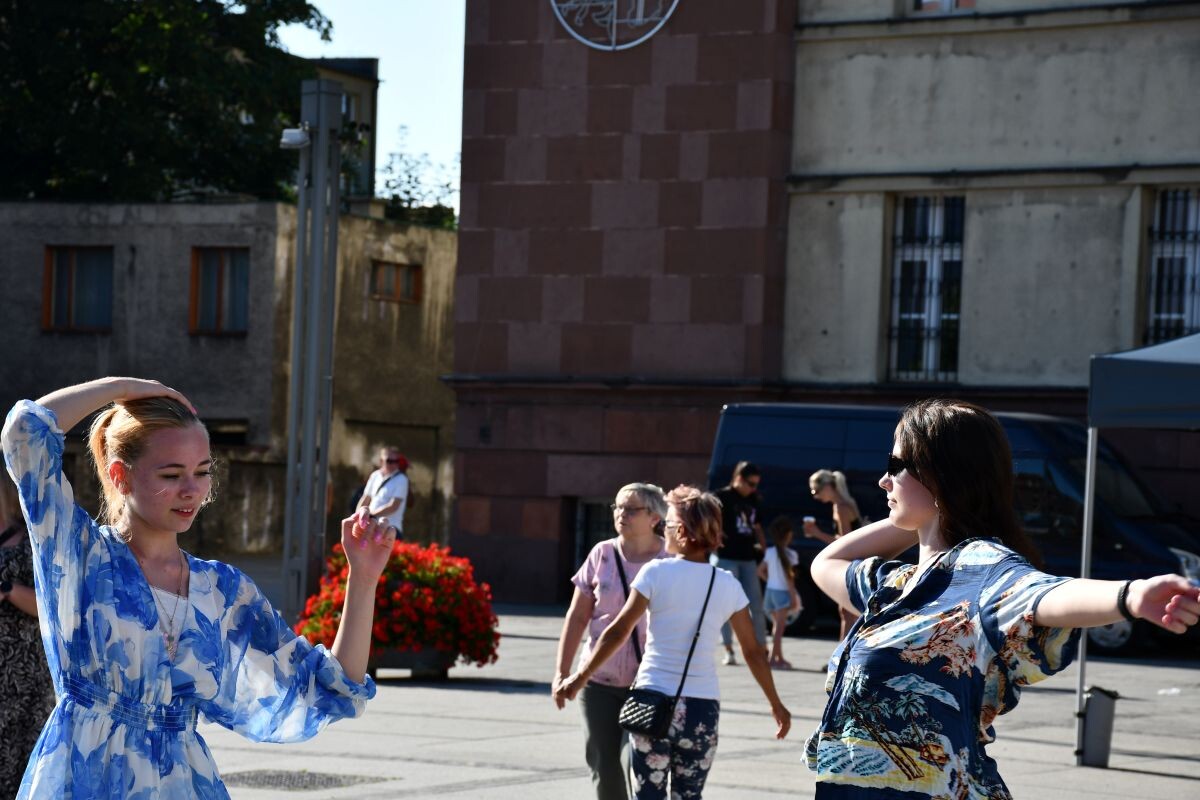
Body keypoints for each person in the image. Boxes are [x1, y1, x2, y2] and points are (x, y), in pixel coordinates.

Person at [1, 377, 396, 799]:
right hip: (82, 780)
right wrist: (125, 386)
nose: (191, 490)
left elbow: (329, 686)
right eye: (171, 474)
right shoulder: (81, 555)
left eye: (202, 472)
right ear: (120, 475)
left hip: (183, 783)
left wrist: (364, 577)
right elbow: (24, 432)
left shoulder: (223, 592)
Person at [806, 399, 1200, 798]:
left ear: (940, 475)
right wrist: (918, 517)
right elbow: (828, 562)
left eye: (895, 466)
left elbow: (1042, 594)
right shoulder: (899, 587)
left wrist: (1129, 595)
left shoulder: (980, 570)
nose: (883, 481)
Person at [556, 485, 791, 800]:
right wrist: (776, 704)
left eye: (667, 525)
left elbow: (618, 630)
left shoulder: (656, 573)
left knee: (648, 795)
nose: (663, 532)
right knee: (688, 796)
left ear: (679, 530)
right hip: (701, 710)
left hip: (651, 701)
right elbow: (753, 652)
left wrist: (579, 677)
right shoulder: (727, 584)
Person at [552, 483, 670, 800]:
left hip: (650, 685)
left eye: (631, 509)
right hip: (598, 681)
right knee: (604, 768)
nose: (621, 514)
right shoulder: (602, 554)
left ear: (655, 518)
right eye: (618, 507)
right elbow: (577, 617)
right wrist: (562, 672)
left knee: (636, 764)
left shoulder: (669, 559)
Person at [0, 472, 55, 798]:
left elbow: (53, 606)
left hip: (25, 680)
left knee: (23, 769)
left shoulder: (30, 542)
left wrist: (7, 589)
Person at [713, 461, 767, 665]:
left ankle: (762, 649)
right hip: (726, 556)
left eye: (756, 484)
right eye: (750, 484)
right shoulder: (722, 497)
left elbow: (758, 527)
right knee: (725, 605)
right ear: (738, 478)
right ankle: (729, 649)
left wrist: (763, 552)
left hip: (748, 558)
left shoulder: (754, 499)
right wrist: (717, 536)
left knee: (756, 604)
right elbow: (712, 520)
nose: (753, 488)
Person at [804, 469, 865, 641]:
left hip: (850, 562)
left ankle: (842, 656)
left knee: (847, 612)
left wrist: (817, 533)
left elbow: (844, 542)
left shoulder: (840, 507)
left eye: (816, 491)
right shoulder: (847, 503)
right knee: (847, 612)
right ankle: (843, 653)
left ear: (828, 487)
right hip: (856, 560)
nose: (815, 496)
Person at [757, 516, 802, 669]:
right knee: (779, 630)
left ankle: (777, 657)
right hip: (783, 594)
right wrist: (793, 597)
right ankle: (773, 659)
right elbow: (790, 580)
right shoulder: (791, 555)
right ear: (789, 535)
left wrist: (770, 580)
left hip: (770, 592)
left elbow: (760, 571)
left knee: (776, 628)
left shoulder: (769, 552)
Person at [356, 446, 410, 539]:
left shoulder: (402, 479)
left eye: (396, 461)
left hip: (391, 529)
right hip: (371, 526)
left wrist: (371, 515)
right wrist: (357, 517)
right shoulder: (375, 475)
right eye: (389, 461)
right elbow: (365, 498)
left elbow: (394, 506)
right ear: (381, 461)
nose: (393, 464)